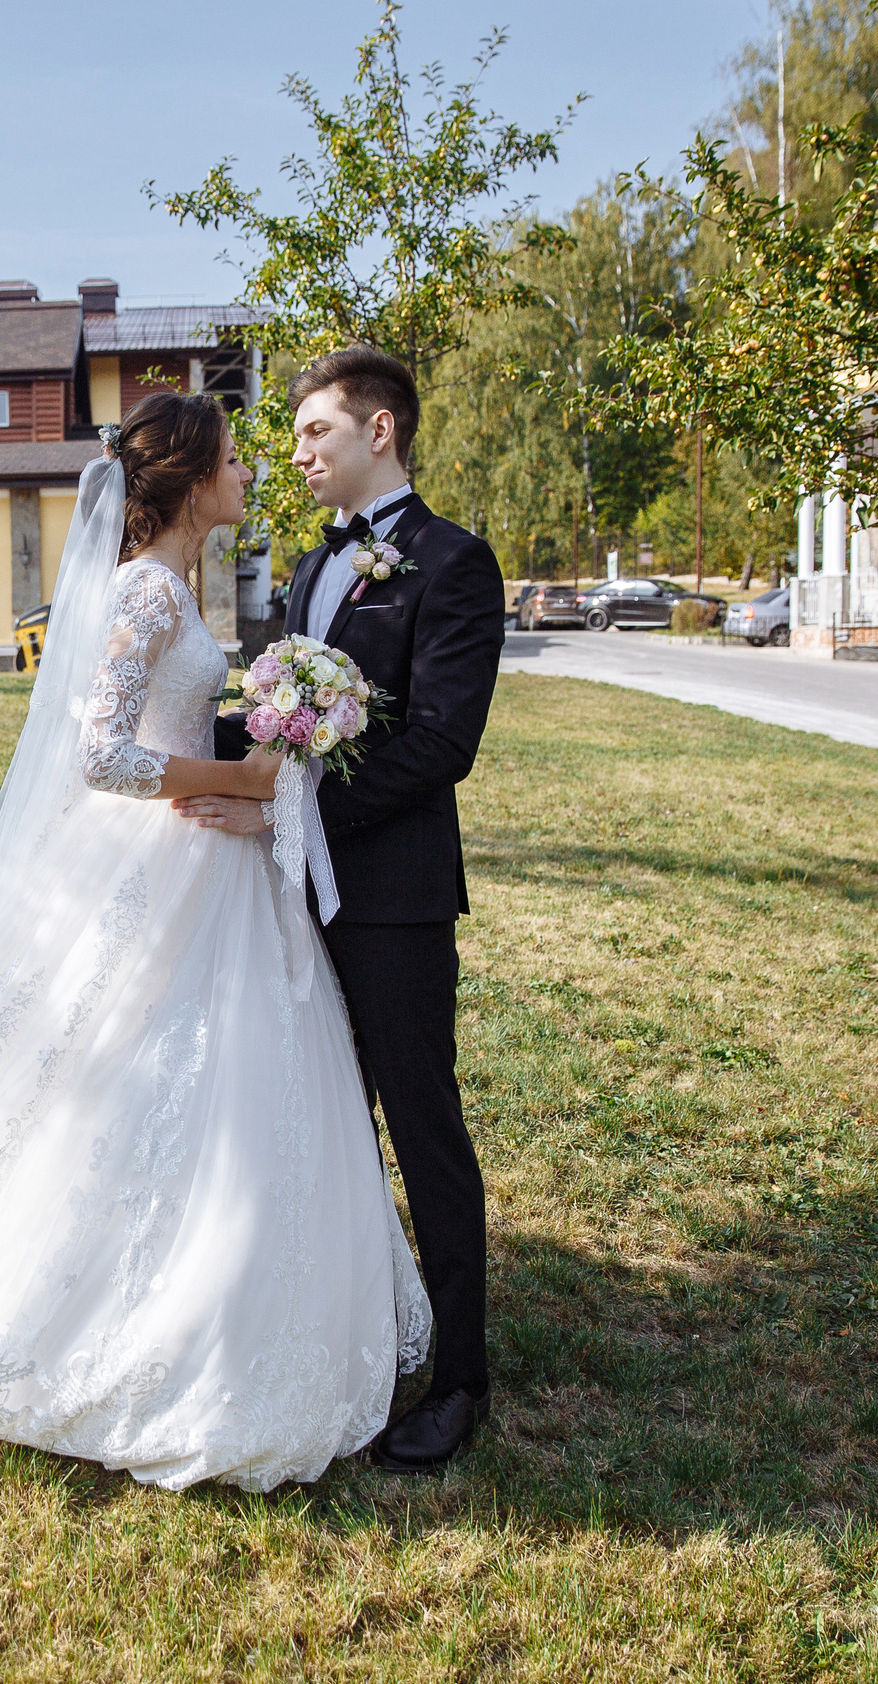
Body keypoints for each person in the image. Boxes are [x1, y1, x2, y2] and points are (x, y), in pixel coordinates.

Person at [0, 391, 430, 1492]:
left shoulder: (176, 581)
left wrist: (265, 752)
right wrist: (238, 777)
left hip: (207, 855)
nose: (249, 474)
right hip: (159, 853)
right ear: (189, 482)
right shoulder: (146, 588)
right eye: (233, 460)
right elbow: (101, 751)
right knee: (118, 1068)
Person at [178, 347, 508, 1474]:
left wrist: (288, 809)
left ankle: (458, 1378)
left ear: (380, 430)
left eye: (316, 431)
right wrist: (168, 746)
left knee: (420, 1126)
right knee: (319, 1118)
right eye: (293, 438)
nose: (299, 454)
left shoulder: (453, 563)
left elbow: (440, 744)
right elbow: (280, 722)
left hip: (393, 899)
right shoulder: (312, 565)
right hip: (288, 896)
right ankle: (340, 1335)